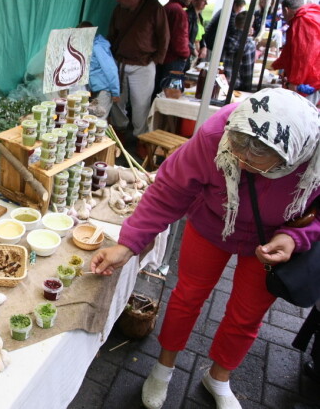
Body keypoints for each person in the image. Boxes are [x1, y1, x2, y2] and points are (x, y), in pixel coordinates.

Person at [89, 88, 320, 409]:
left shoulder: (314, 156)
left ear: (292, 157)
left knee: (246, 316)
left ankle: (218, 378)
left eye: (257, 162)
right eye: (236, 153)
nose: (241, 163)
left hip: (272, 239)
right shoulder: (217, 132)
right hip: (211, 220)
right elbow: (169, 189)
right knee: (187, 296)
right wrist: (129, 244)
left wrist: (297, 237)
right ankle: (163, 367)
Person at [107, 0, 170, 136]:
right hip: (120, 63)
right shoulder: (119, 10)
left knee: (140, 105)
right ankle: (120, 129)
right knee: (116, 100)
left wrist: (156, 60)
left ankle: (139, 136)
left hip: (143, 65)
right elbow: (112, 34)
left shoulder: (154, 8)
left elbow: (164, 36)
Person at [271, 0, 320, 106]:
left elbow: (303, 54)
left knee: (303, 116)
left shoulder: (301, 21)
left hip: (310, 80)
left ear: (286, 10)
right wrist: (278, 64)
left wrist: (295, 81)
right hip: (314, 77)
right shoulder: (313, 15)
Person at [78, 21, 120, 121]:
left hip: (105, 89)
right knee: (94, 118)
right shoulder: (89, 46)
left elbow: (111, 69)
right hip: (97, 89)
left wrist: (115, 92)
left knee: (99, 120)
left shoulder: (98, 47)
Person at [159, 0, 196, 88]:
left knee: (163, 90)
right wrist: (186, 53)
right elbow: (179, 38)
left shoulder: (169, 7)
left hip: (166, 57)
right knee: (169, 93)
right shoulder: (177, 11)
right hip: (173, 60)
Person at [221, 11, 256, 92]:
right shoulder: (248, 44)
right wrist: (247, 91)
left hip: (220, 82)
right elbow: (247, 72)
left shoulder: (223, 39)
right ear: (250, 25)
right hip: (237, 87)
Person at [186, 0, 209, 69]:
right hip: (189, 53)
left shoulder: (200, 17)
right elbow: (185, 37)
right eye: (204, 0)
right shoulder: (188, 16)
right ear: (195, 0)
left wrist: (204, 46)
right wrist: (193, 49)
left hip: (196, 54)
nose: (206, 3)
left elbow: (202, 36)